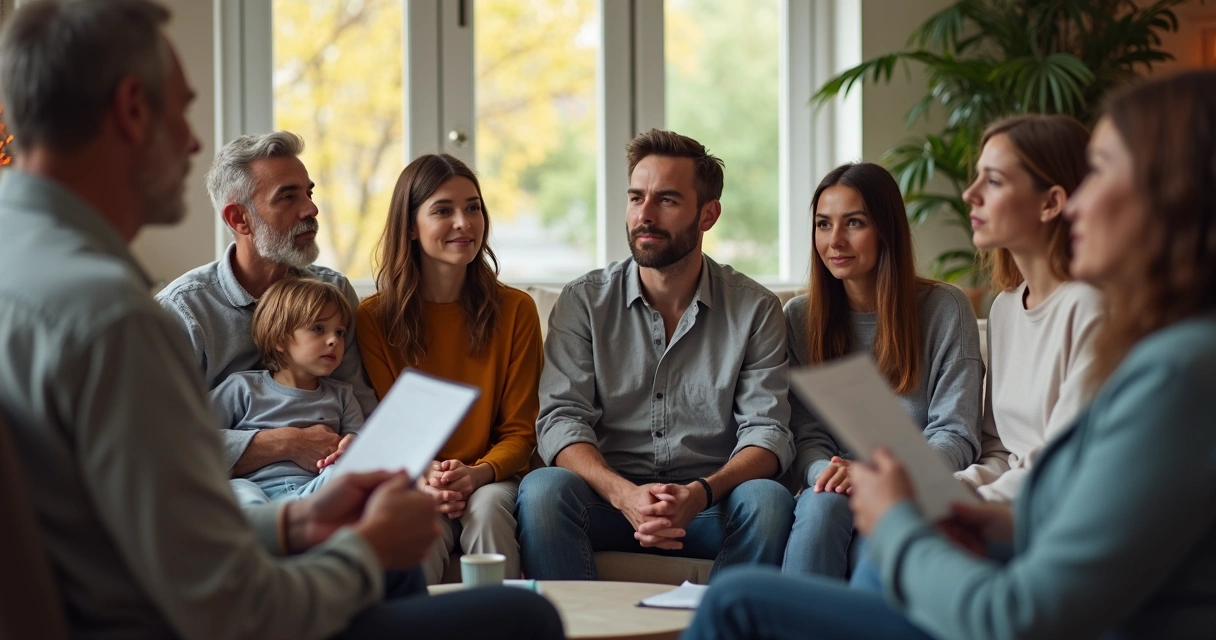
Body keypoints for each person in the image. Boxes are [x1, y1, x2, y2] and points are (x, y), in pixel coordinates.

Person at [0, 2, 563, 638]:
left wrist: (297, 523)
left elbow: (165, 524)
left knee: (408, 578)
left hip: (174, 572)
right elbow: (228, 603)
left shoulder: (21, 266)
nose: (190, 141)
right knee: (524, 614)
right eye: (183, 109)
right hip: (179, 617)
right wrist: (363, 549)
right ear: (132, 109)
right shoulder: (120, 320)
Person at [682, 70, 1216, 640]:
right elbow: (1056, 488)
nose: (1077, 202)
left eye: (1101, 169)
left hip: (1008, 590)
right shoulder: (1120, 340)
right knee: (810, 536)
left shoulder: (1178, 369)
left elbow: (1023, 605)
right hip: (983, 519)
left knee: (741, 601)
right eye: (822, 224)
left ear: (1171, 191)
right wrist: (978, 518)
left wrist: (901, 522)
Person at [516, 129, 796, 580]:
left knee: (768, 500)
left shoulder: (754, 308)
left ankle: (723, 626)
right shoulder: (584, 302)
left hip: (710, 506)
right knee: (543, 491)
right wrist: (624, 494)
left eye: (666, 200)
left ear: (708, 215)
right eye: (635, 197)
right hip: (607, 503)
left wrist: (700, 494)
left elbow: (767, 432)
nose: (643, 215)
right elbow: (561, 419)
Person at [781, 162, 983, 579]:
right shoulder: (799, 318)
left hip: (911, 484)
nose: (834, 240)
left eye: (854, 223)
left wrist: (881, 477)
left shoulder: (946, 309)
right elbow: (805, 434)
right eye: (823, 224)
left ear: (886, 230)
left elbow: (957, 432)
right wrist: (828, 476)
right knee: (819, 511)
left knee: (880, 539)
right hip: (829, 486)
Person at [357, 153, 542, 584]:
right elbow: (388, 427)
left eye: (473, 207)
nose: (464, 222)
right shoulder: (374, 319)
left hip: (492, 476)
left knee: (490, 509)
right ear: (410, 226)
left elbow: (521, 431)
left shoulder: (516, 310)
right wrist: (429, 480)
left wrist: (475, 474)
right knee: (416, 522)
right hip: (416, 478)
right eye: (443, 210)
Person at [156, 130, 379, 475]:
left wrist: (359, 444)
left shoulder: (332, 293)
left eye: (308, 192)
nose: (311, 208)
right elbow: (159, 440)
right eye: (287, 197)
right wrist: (284, 442)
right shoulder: (183, 312)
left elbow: (358, 405)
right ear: (239, 219)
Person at [955, 115, 1103, 503]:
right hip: (1004, 506)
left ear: (1051, 202)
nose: (970, 193)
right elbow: (1002, 450)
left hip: (1054, 513)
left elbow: (1063, 463)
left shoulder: (1091, 308)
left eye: (993, 180)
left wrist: (966, 509)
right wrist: (951, 489)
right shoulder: (1004, 310)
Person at [213, 277, 363, 505]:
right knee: (237, 488)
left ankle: (304, 526)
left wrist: (350, 443)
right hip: (257, 489)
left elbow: (362, 442)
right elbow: (197, 434)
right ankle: (267, 528)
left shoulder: (342, 395)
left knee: (342, 476)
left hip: (315, 491)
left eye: (340, 332)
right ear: (280, 339)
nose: (333, 340)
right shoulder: (241, 388)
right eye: (318, 329)